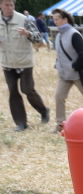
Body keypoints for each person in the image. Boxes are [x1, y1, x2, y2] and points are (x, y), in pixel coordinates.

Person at [0, 0, 49, 131]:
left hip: (24, 62)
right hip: (7, 63)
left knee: (27, 90)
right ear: (0, 5)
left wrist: (27, 34)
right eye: (7, 5)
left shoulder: (24, 19)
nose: (10, 7)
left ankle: (43, 110)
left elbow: (39, 38)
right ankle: (21, 123)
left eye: (12, 5)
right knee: (13, 92)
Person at [51, 8, 83, 133]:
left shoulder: (74, 34)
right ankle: (60, 124)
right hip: (63, 74)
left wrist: (75, 67)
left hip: (77, 74)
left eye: (57, 19)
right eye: (54, 19)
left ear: (65, 19)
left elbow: (82, 55)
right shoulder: (59, 35)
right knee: (59, 97)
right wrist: (58, 65)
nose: (54, 22)